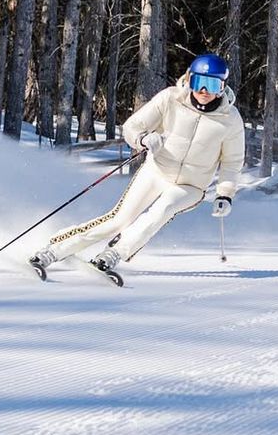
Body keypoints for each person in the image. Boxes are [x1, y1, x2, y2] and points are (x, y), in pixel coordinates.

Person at [29, 53, 245, 281]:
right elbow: (133, 126)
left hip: (191, 185)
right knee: (118, 220)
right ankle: (53, 251)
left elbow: (232, 162)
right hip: (157, 170)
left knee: (162, 210)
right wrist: (143, 139)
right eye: (198, 82)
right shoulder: (170, 99)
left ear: (222, 87)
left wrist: (225, 194)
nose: (203, 90)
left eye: (212, 84)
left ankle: (113, 254)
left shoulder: (230, 120)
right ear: (189, 79)